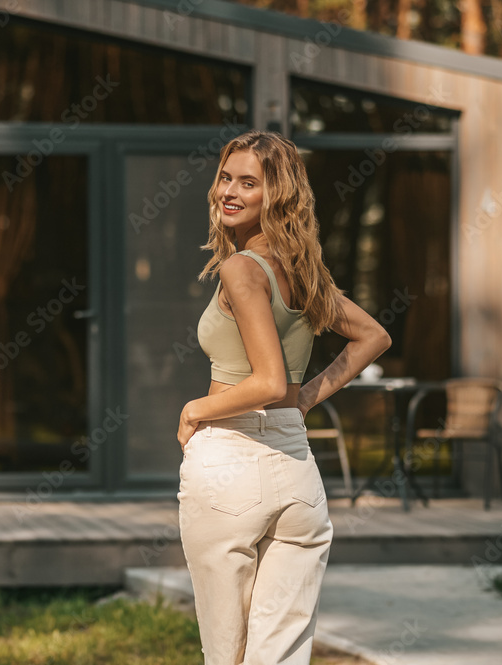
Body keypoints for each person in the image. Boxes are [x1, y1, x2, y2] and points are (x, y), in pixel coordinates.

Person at [176, 129, 391, 664]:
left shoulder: (241, 269)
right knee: (280, 655)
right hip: (296, 472)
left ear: (279, 195)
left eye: (248, 183)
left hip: (229, 460)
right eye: (226, 176)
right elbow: (374, 338)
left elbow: (269, 382)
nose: (229, 190)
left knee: (225, 653)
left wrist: (194, 409)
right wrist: (307, 398)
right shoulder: (304, 271)